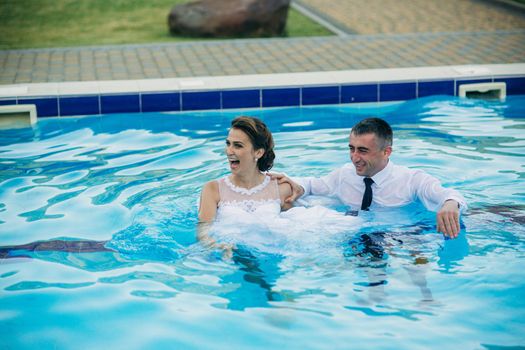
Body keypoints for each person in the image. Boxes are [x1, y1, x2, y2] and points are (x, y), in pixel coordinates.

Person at [274, 117, 467, 239]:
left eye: (363, 151)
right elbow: (312, 184)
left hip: (401, 236)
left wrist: (450, 203)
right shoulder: (345, 175)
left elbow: (449, 195)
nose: (354, 157)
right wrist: (297, 186)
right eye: (352, 148)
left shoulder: (411, 180)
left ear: (386, 152)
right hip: (355, 234)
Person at [198, 116, 293, 255]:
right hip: (230, 255)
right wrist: (217, 246)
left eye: (238, 145)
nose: (229, 151)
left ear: (258, 152)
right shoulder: (213, 189)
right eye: (228, 143)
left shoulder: (281, 188)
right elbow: (203, 233)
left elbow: (293, 225)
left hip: (272, 253)